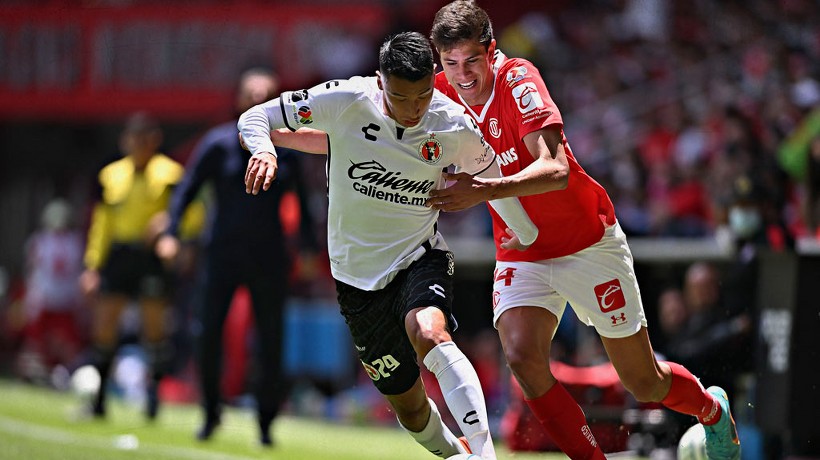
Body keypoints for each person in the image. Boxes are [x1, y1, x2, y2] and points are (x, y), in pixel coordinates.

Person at [425, 2, 741, 459]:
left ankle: (712, 411)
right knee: (521, 356)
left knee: (642, 381)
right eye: (450, 64)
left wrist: (485, 190)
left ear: (491, 51)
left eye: (472, 60)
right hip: (524, 251)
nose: (463, 75)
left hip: (587, 243)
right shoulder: (438, 94)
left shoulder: (518, 79)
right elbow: (372, 109)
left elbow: (555, 169)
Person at [239, 31, 538, 459]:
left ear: (435, 79)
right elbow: (254, 117)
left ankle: (485, 454)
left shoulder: (453, 124)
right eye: (401, 97)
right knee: (412, 410)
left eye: (422, 96)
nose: (414, 109)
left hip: (419, 257)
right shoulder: (344, 99)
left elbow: (491, 181)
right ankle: (457, 455)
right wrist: (265, 150)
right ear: (380, 82)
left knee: (430, 333)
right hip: (356, 281)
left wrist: (527, 237)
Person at [155, 67, 319, 446]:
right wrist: (170, 233)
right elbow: (186, 189)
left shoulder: (288, 148)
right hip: (221, 255)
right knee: (207, 333)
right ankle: (211, 412)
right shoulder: (217, 144)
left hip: (269, 257)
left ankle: (265, 422)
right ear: (240, 100)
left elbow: (305, 207)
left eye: (267, 96)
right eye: (253, 95)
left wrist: (309, 248)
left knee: (271, 340)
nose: (259, 101)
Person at [80, 112, 202, 420]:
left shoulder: (171, 173)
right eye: (134, 138)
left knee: (154, 329)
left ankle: (152, 399)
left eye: (145, 138)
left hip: (152, 258)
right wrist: (92, 266)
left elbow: (194, 212)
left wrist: (170, 228)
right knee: (105, 324)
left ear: (155, 141)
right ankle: (99, 400)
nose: (139, 145)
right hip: (120, 254)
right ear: (126, 140)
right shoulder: (111, 175)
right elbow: (102, 224)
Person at [16, 198, 86, 385]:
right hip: (54, 298)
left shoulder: (42, 241)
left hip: (56, 298)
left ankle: (62, 375)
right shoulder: (72, 242)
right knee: (39, 343)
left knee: (61, 343)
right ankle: (40, 374)